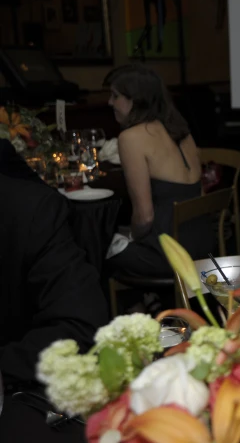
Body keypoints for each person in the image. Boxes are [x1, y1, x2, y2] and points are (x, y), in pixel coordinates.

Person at [0, 173, 109, 390]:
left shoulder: (27, 209)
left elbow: (80, 327)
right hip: (186, 251)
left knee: (114, 251)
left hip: (13, 401)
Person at [103, 64, 210, 278]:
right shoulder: (182, 131)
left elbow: (145, 218)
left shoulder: (131, 137)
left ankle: (136, 307)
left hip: (170, 255)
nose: (110, 102)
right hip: (203, 246)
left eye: (115, 96)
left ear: (135, 99)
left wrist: (131, 235)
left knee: (94, 246)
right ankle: (149, 303)